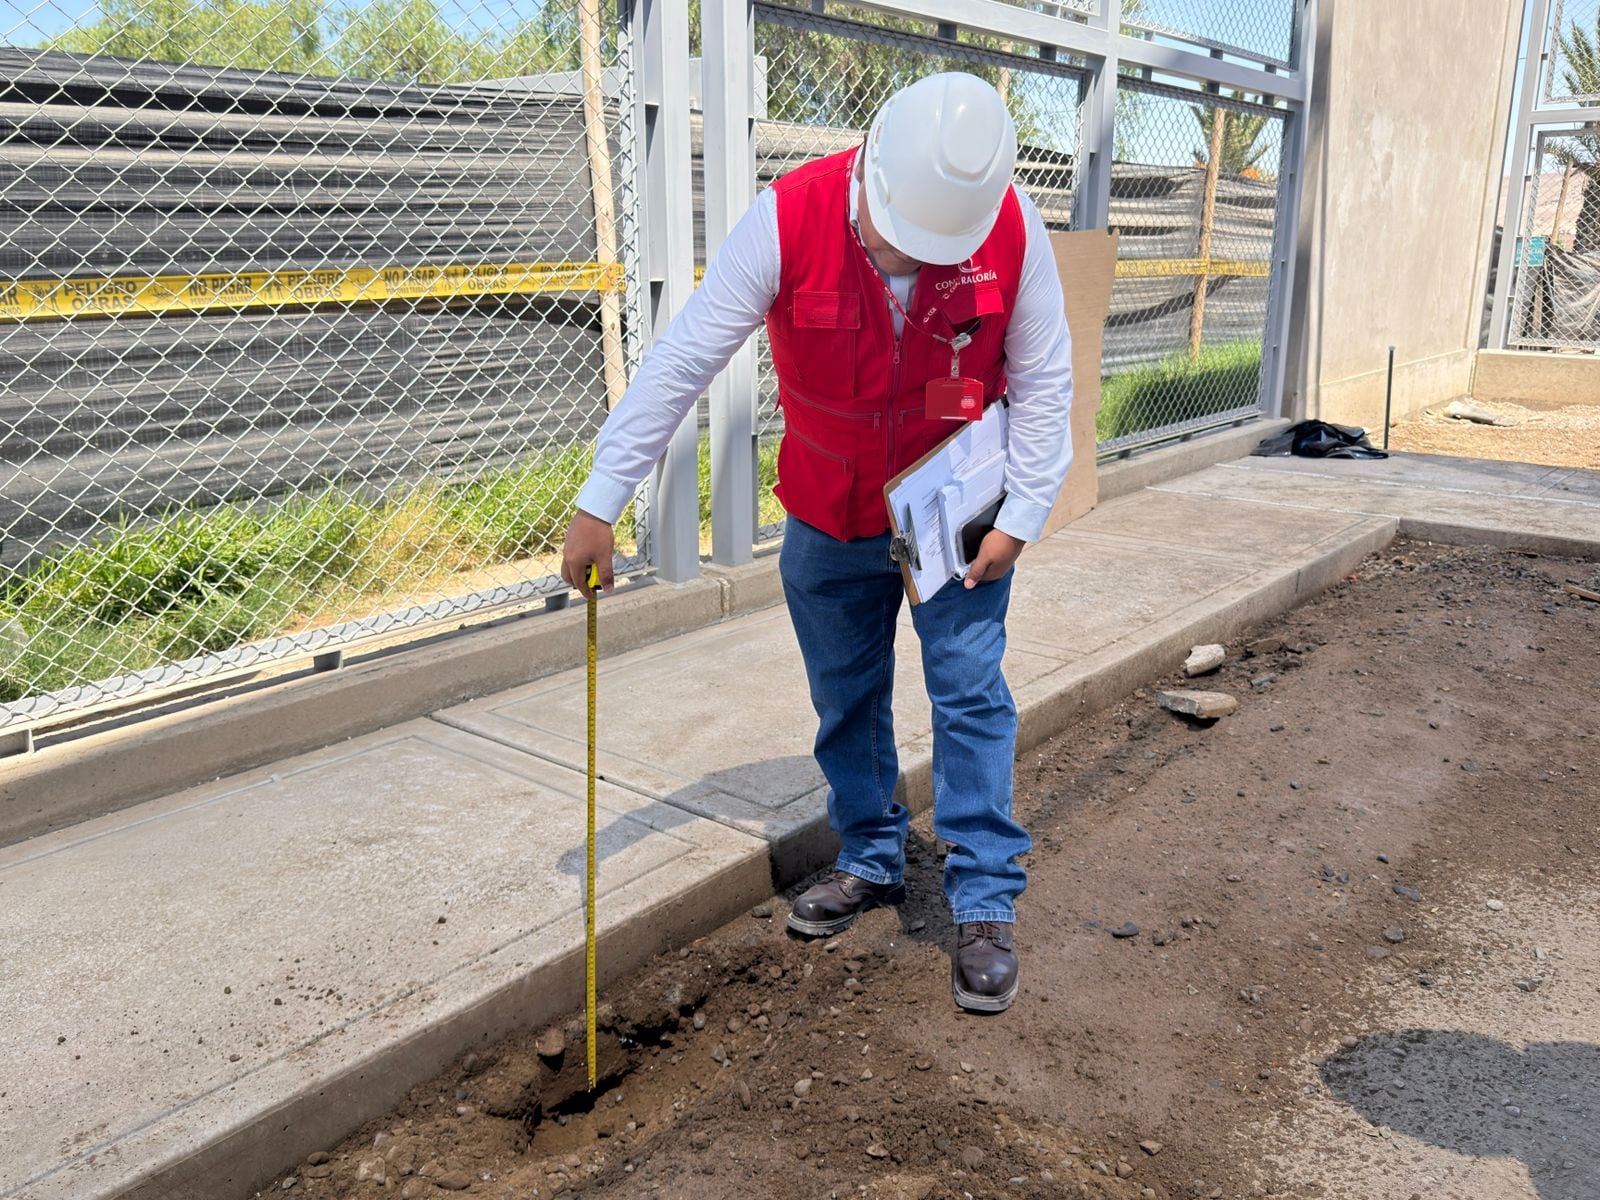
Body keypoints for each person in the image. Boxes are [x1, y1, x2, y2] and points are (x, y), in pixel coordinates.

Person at [561, 72, 1074, 1013]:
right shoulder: (786, 218)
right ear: (872, 170)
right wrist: (603, 496)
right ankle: (873, 856)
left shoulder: (1011, 226)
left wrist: (1021, 515)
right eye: (895, 236)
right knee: (846, 696)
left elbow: (1044, 382)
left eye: (934, 249)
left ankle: (986, 896)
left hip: (952, 509)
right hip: (827, 507)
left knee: (968, 692)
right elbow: (686, 359)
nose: (909, 256)